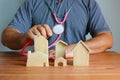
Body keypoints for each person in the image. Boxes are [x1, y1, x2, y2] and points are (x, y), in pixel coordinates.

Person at [1, 0, 113, 58]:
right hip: (40, 68)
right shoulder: (32, 2)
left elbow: (107, 39)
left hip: (76, 67)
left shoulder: (88, 2)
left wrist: (72, 50)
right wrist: (25, 37)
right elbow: (6, 37)